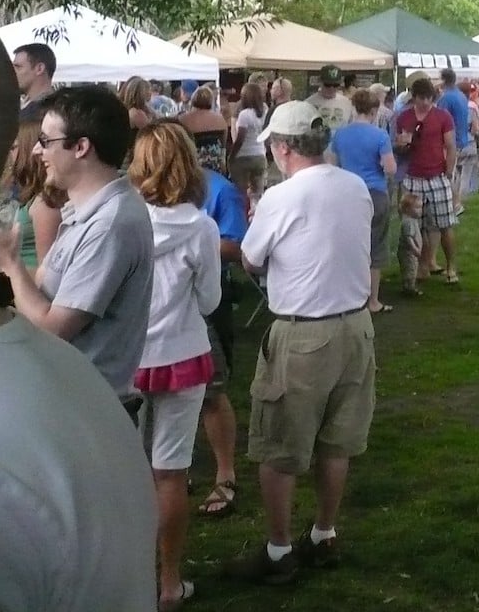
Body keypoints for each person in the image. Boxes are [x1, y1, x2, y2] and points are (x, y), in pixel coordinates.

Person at [0, 0, 157, 611]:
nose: (44, 153)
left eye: (53, 142)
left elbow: (58, 318)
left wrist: (8, 265)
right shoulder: (59, 389)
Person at [226, 100, 375, 584]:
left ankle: (278, 550)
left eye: (272, 144)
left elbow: (250, 258)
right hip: (356, 327)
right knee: (337, 441)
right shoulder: (354, 186)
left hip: (303, 332)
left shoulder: (281, 197)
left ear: (284, 147)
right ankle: (324, 533)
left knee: (280, 445)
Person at [0, 84, 155, 401]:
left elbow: (53, 329)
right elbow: (41, 289)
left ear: (80, 147)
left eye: (45, 142)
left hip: (86, 408)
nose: (37, 152)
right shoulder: (88, 212)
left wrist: (10, 262)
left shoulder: (110, 225)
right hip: (71, 400)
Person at [128, 121, 221, 611]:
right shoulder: (201, 227)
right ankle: (169, 583)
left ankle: (128, 576)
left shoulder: (124, 221)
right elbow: (209, 301)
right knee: (171, 473)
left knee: (128, 470)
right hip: (182, 356)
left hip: (128, 359)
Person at [196, 154, 248, 523]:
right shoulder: (144, 195)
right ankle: (172, 471)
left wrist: (187, 242)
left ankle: (225, 472)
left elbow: (236, 247)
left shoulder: (220, 190)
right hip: (158, 313)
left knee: (211, 392)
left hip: (209, 299)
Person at [330, 88, 397, 314]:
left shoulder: (340, 134)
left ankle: (348, 295)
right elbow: (390, 168)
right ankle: (373, 300)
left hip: (347, 193)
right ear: (373, 110)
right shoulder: (380, 136)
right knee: (375, 246)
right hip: (375, 192)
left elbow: (331, 163)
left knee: (350, 244)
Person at [394, 77, 460, 286]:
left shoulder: (442, 116)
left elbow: (450, 146)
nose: (425, 103)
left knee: (445, 223)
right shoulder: (404, 118)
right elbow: (399, 147)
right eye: (421, 98)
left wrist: (448, 172)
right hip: (413, 176)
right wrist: (402, 145)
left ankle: (451, 266)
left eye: (429, 98)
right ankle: (421, 266)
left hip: (437, 175)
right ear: (413, 98)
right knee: (415, 225)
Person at [0, 117, 64, 267]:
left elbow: (47, 271)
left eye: (14, 147)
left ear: (26, 149)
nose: (10, 154)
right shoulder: (32, 196)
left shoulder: (45, 204)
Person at [436, 68, 476, 216]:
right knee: (455, 174)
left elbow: (440, 120)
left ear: (443, 80)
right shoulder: (460, 95)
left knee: (447, 173)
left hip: (450, 141)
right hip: (463, 138)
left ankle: (456, 204)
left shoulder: (445, 98)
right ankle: (456, 202)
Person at [230, 80, 268, 206]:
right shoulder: (265, 110)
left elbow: (240, 138)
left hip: (244, 156)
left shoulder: (244, 115)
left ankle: (243, 216)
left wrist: (232, 155)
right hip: (260, 155)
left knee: (240, 192)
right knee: (258, 192)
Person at [178, 84, 230, 175]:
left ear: (193, 99)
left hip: (193, 164)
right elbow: (223, 146)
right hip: (215, 165)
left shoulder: (183, 119)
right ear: (211, 100)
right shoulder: (220, 119)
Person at [10, 40, 57, 122]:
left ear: (39, 69)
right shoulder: (56, 107)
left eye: (18, 67)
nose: (12, 72)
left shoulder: (51, 113)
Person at [306, 64, 353, 134]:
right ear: (320, 82)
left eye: (335, 85)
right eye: (327, 85)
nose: (332, 88)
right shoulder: (308, 104)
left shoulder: (347, 103)